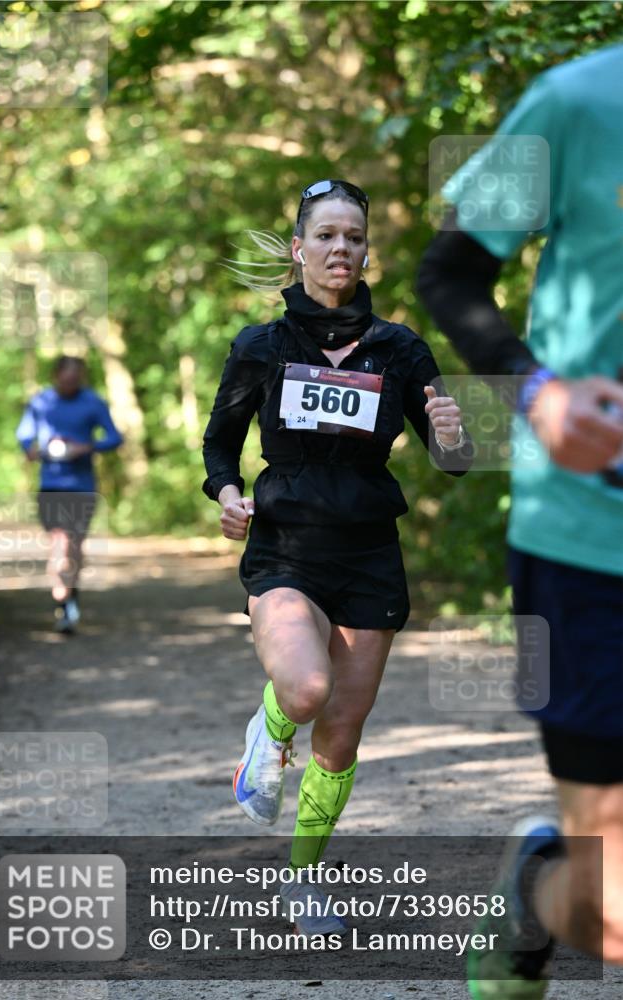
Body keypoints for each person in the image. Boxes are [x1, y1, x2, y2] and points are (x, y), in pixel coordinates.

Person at [203, 179, 472, 934]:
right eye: (324, 236)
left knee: (343, 733)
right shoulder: (262, 347)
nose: (339, 249)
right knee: (306, 689)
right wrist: (226, 492)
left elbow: (451, 459)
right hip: (285, 546)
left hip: (367, 555)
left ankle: (301, 879)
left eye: (352, 237)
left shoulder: (398, 349)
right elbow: (219, 445)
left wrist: (451, 433)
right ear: (298, 250)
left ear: (364, 251)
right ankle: (269, 726)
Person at [417, 44, 623, 998]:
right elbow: (448, 272)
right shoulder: (575, 100)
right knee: (612, 915)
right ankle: (537, 885)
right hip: (588, 538)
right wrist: (536, 392)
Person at [16, 355, 123, 633]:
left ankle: (69, 598)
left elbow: (114, 437)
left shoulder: (92, 402)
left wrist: (87, 447)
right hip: (51, 484)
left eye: (76, 380)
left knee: (74, 545)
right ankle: (63, 601)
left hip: (82, 486)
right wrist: (31, 449)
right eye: (66, 380)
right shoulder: (41, 402)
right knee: (59, 543)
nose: (71, 384)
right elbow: (24, 434)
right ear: (56, 377)